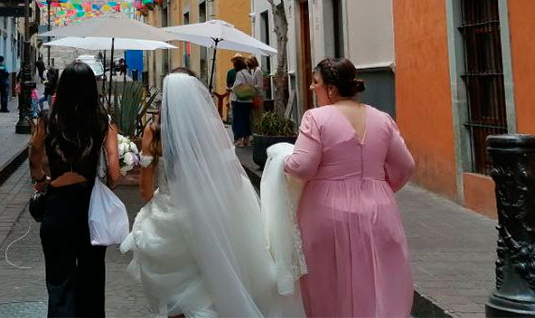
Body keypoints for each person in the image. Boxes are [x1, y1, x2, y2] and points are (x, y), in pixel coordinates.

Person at [122, 70, 303, 317]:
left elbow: (144, 192)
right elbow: (232, 178)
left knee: (175, 294)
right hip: (207, 214)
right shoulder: (211, 128)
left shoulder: (153, 132)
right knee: (210, 282)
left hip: (166, 221)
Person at [282, 58, 416, 317]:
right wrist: (380, 185)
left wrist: (282, 158)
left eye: (315, 82)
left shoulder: (315, 117)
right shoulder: (382, 118)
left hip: (327, 208)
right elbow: (406, 165)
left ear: (330, 89)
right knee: (379, 279)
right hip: (380, 207)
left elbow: (303, 166)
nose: (311, 87)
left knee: (330, 282)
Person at [28, 62, 119, 317]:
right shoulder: (104, 121)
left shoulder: (47, 118)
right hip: (90, 209)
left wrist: (42, 178)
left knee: (59, 281)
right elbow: (113, 172)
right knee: (92, 278)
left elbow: (35, 153)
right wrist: (107, 184)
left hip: (57, 206)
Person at [230, 56, 255, 147]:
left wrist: (230, 89)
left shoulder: (240, 74)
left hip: (239, 100)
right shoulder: (248, 74)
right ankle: (247, 140)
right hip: (248, 100)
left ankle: (239, 141)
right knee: (246, 120)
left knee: (238, 120)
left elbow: (237, 86)